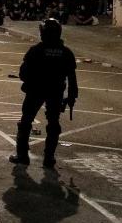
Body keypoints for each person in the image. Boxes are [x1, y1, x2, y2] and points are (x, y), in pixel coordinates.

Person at [10, 19, 78, 168]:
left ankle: (22, 156)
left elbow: (23, 73)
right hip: (55, 91)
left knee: (26, 122)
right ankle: (49, 157)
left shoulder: (36, 50)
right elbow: (72, 77)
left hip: (36, 90)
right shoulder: (66, 52)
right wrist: (72, 96)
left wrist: (31, 81)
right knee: (53, 123)